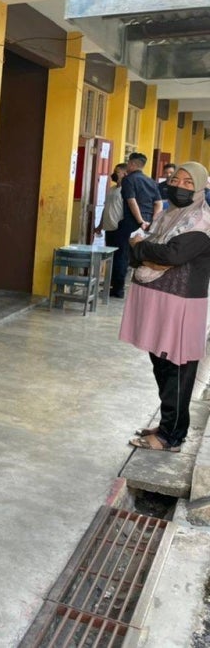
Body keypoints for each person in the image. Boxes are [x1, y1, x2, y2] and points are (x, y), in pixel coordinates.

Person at [121, 162, 210, 453]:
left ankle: (172, 435)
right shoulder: (168, 216)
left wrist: (140, 248)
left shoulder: (201, 222)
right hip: (159, 301)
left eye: (188, 182)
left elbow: (171, 255)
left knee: (177, 369)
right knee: (162, 366)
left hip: (181, 305)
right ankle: (168, 423)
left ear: (200, 187)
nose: (180, 186)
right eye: (176, 179)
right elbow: (145, 253)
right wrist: (144, 252)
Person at [112, 152, 163, 297]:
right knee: (142, 255)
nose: (127, 165)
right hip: (148, 223)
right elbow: (158, 203)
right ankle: (141, 287)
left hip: (132, 222)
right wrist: (152, 220)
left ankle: (118, 289)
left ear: (133, 164)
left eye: (128, 163)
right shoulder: (151, 181)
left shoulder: (129, 180)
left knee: (122, 255)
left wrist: (140, 221)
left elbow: (131, 201)